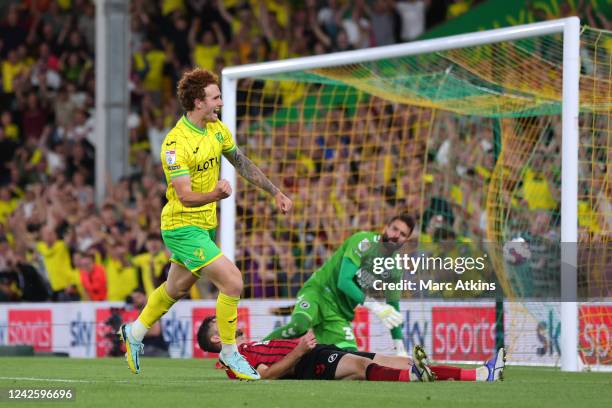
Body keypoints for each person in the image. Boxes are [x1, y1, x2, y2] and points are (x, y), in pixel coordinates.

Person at [119, 68, 292, 380]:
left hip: (204, 225)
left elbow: (241, 162)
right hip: (181, 227)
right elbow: (184, 196)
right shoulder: (175, 143)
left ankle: (134, 331)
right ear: (198, 102)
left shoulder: (217, 129)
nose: (221, 103)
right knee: (233, 282)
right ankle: (230, 353)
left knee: (176, 288)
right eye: (215, 98)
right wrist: (216, 192)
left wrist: (274, 191)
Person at [264, 214, 414, 355]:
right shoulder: (364, 242)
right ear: (386, 228)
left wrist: (400, 350)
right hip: (320, 292)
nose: (396, 236)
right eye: (395, 229)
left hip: (339, 314)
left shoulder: (395, 268)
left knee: (351, 359)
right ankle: (252, 352)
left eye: (402, 234)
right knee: (299, 326)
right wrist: (375, 305)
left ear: (406, 240)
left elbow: (394, 310)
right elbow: (344, 282)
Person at [198, 316, 506, 382]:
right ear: (215, 340)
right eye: (217, 323)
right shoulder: (235, 361)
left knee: (396, 360)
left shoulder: (250, 344)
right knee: (362, 367)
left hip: (314, 353)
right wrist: (300, 351)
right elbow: (265, 376)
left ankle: (479, 374)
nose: (226, 317)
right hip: (307, 363)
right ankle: (415, 377)